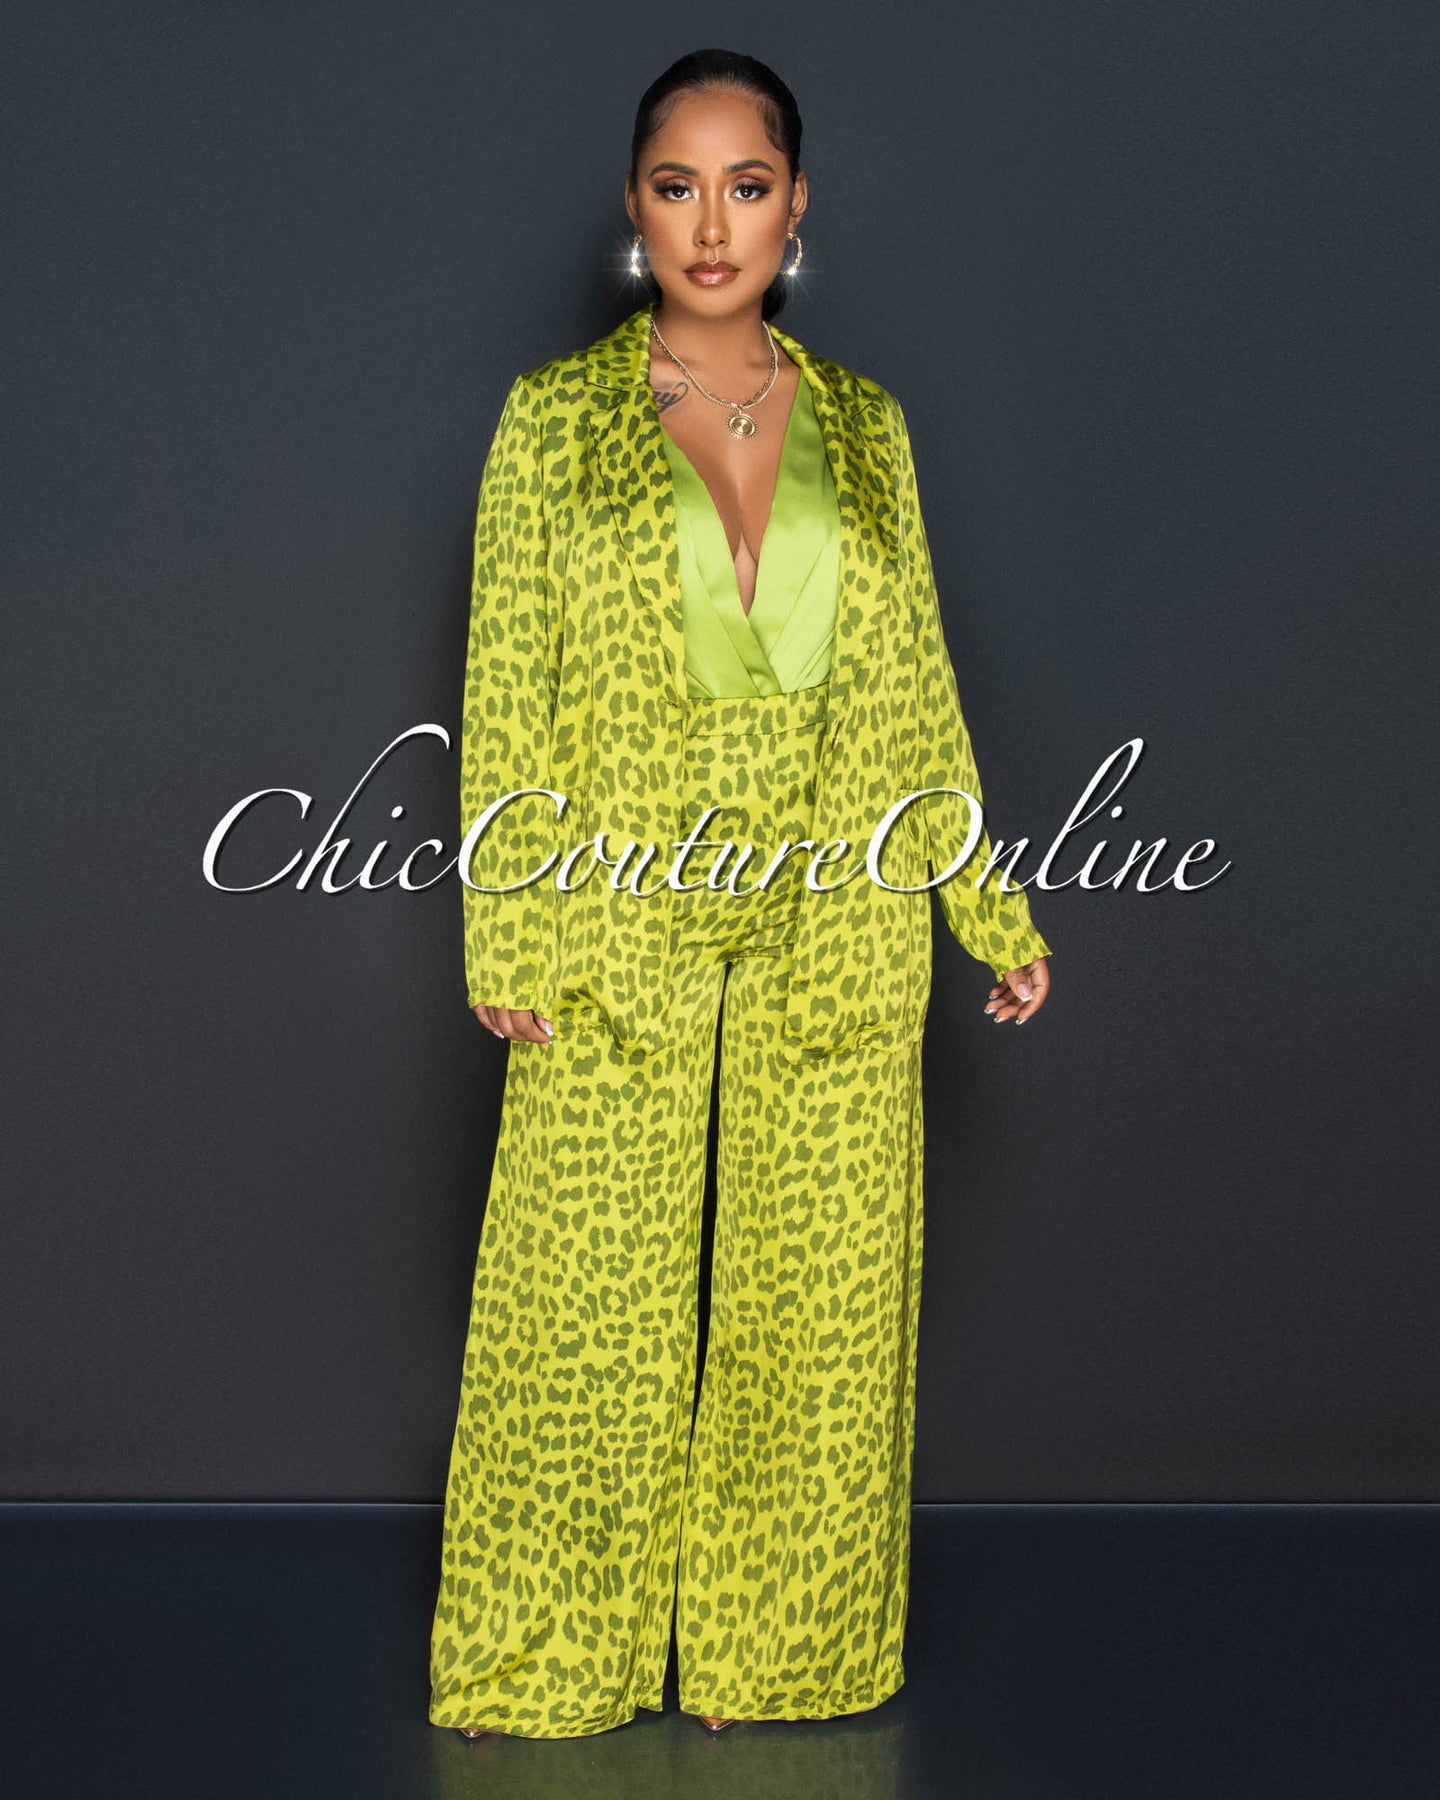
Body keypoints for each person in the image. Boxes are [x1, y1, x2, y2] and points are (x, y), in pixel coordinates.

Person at [428, 47, 1054, 1743]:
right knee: (584, 1302)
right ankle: (541, 1654)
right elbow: (506, 685)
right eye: (678, 185)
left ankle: (777, 1655)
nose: (713, 224)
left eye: (748, 185)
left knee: (822, 1305)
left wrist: (987, 908)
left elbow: (916, 685)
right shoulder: (552, 421)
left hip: (834, 900)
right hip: (615, 897)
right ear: (635, 211)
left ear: (795, 207)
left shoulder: (868, 427)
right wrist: (509, 920)